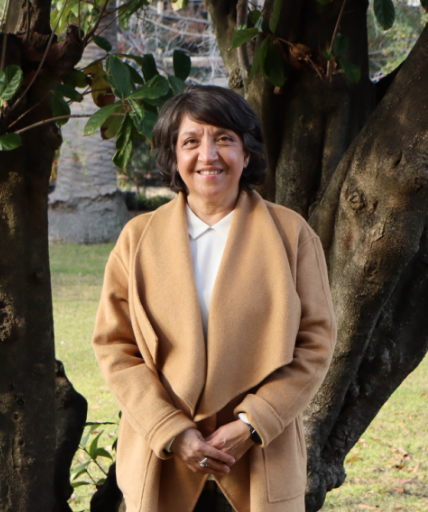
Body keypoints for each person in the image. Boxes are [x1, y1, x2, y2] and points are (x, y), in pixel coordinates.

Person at [91, 85, 337, 512]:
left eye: (224, 139)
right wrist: (171, 429)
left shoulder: (292, 235)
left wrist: (253, 422)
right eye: (191, 141)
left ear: (247, 153)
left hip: (260, 458)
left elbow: (315, 343)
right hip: (162, 457)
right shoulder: (137, 239)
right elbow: (115, 347)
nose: (208, 155)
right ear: (173, 156)